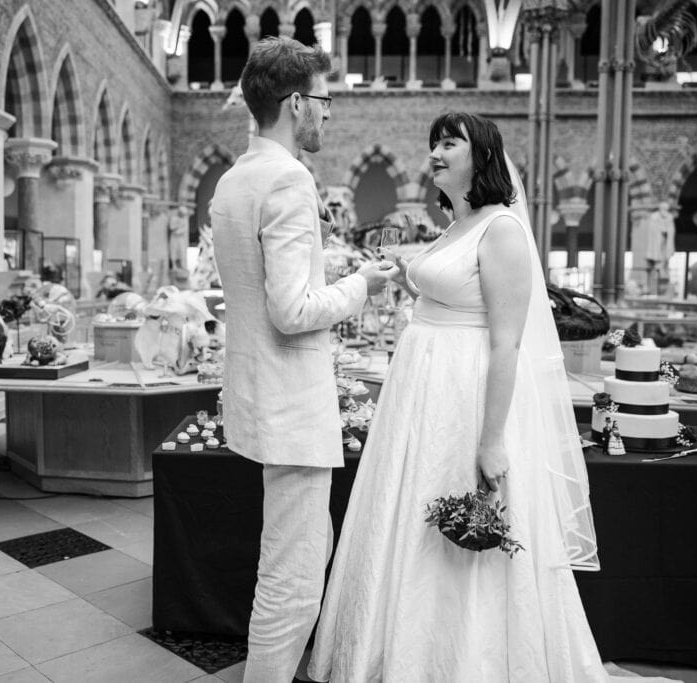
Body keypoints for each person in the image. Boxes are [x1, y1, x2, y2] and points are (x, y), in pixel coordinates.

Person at [308, 113, 678, 682]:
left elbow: (506, 343)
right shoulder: (458, 224)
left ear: (481, 157)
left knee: (460, 531)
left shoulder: (502, 229)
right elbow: (449, 296)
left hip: (464, 397)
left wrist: (490, 440)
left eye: (449, 141)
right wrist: (406, 275)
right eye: (433, 140)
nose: (435, 149)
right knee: (407, 522)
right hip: (420, 396)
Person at [209, 36, 398, 683]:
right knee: (291, 578)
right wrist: (361, 287)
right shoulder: (289, 178)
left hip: (261, 399)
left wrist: (336, 272)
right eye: (324, 99)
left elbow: (261, 292)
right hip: (291, 408)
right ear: (296, 103)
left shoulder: (236, 178)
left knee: (298, 557)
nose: (329, 113)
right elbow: (291, 310)